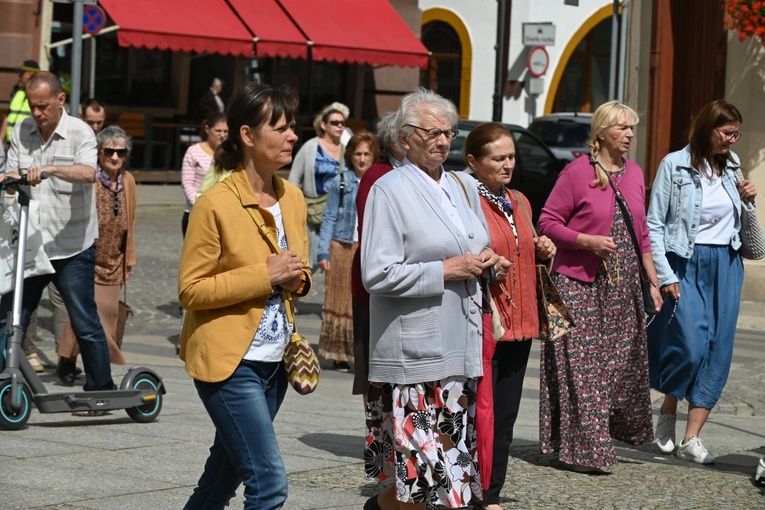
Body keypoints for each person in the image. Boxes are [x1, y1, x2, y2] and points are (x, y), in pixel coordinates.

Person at [361, 88, 507, 510]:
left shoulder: (462, 185)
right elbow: (376, 273)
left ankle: (381, 507)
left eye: (449, 132)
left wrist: (488, 262)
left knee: (444, 467)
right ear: (405, 138)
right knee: (425, 477)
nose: (443, 141)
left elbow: (475, 245)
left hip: (460, 345)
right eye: (432, 133)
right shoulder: (389, 190)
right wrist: (446, 270)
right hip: (415, 355)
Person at [178, 82, 311, 510]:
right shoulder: (214, 203)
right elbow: (191, 290)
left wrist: (296, 279)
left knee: (221, 478)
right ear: (248, 135)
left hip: (277, 362)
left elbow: (301, 273)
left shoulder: (293, 197)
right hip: (229, 363)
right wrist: (266, 275)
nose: (292, 135)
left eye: (293, 126)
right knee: (268, 484)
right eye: (281, 127)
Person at [537, 100, 662, 473]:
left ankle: (590, 439)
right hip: (578, 283)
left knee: (614, 368)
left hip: (622, 289)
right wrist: (586, 241)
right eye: (622, 128)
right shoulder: (577, 172)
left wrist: (653, 282)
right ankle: (588, 450)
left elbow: (642, 235)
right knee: (582, 367)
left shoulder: (636, 173)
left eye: (632, 128)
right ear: (603, 132)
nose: (629, 135)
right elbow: (547, 222)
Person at [647, 99, 757, 464]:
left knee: (718, 349)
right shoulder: (673, 164)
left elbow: (740, 219)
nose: (732, 140)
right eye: (727, 133)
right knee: (690, 345)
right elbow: (655, 223)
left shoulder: (734, 166)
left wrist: (748, 199)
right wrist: (665, 273)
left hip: (726, 262)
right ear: (708, 128)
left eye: (736, 134)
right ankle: (667, 409)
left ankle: (691, 437)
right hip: (687, 260)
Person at [0, 71, 115, 391]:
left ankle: (101, 388)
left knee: (84, 320)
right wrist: (9, 176)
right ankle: (5, 381)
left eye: (43, 106)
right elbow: (12, 166)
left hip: (72, 246)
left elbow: (89, 173)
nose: (37, 113)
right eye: (33, 106)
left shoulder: (80, 132)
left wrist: (50, 169)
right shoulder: (22, 129)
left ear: (60, 100)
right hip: (31, 242)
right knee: (10, 318)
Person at [464, 123, 555, 509]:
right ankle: (470, 487)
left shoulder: (518, 199)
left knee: (505, 416)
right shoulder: (466, 199)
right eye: (498, 158)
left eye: (511, 157)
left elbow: (523, 249)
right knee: (477, 411)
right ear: (474, 161)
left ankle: (491, 492)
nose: (507, 165)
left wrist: (542, 249)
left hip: (521, 322)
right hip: (485, 321)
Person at [57, 126, 137, 391]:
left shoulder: (129, 181)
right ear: (99, 152)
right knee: (90, 314)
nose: (115, 157)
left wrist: (129, 259)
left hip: (114, 259)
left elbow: (131, 222)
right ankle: (80, 367)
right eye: (109, 151)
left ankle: (68, 357)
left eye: (121, 152)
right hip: (88, 255)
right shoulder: (91, 179)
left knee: (103, 314)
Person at [350, 112, 405, 398]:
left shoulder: (420, 171)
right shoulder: (377, 175)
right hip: (377, 283)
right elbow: (371, 231)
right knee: (375, 368)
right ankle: (378, 438)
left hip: (409, 280)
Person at [317, 131, 378, 373]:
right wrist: (323, 252)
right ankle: (338, 354)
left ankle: (359, 352)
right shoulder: (340, 182)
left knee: (362, 303)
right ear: (350, 156)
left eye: (366, 154)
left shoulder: (379, 182)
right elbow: (329, 217)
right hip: (341, 246)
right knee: (339, 301)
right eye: (358, 154)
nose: (362, 159)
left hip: (366, 248)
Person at [288, 102, 348, 269]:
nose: (340, 126)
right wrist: (296, 207)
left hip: (335, 214)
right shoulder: (310, 147)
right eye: (335, 122)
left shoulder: (346, 150)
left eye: (342, 123)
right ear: (323, 124)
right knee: (307, 258)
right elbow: (293, 179)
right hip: (310, 211)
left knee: (331, 261)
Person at [181, 111, 228, 235]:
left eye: (225, 131)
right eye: (218, 131)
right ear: (207, 129)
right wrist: (199, 204)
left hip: (222, 214)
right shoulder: (193, 152)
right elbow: (187, 182)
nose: (222, 135)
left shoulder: (230, 154)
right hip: (195, 211)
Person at [1, 60, 40, 144]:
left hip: (28, 143)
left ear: (31, 74)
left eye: (22, 73)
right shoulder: (17, 91)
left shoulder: (39, 95)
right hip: (10, 142)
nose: (19, 76)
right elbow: (8, 117)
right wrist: (0, 141)